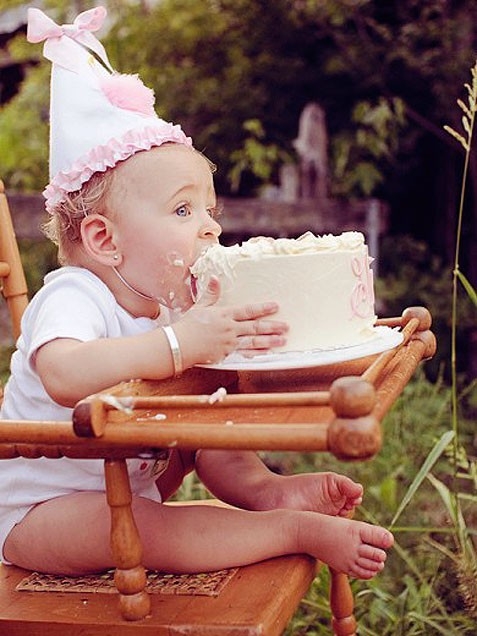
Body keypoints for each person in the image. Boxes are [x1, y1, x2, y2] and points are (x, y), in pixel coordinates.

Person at [0, 6, 394, 579]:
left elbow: (206, 400)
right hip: (38, 514)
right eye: (184, 209)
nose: (209, 226)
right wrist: (180, 346)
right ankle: (291, 529)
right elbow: (62, 374)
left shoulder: (166, 307)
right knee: (145, 525)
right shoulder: (73, 295)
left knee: (213, 418)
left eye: (209, 210)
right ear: (105, 239)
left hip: (130, 479)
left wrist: (225, 353)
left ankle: (267, 493)